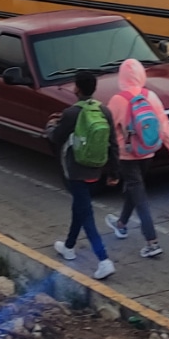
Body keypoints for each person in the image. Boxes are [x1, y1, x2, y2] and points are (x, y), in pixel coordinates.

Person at [103, 59, 169, 259]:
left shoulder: (117, 100)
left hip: (127, 155)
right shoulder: (152, 97)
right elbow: (164, 127)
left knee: (139, 196)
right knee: (134, 188)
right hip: (148, 152)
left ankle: (152, 241)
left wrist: (108, 164)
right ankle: (121, 225)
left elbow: (109, 133)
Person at [46, 69, 118, 281]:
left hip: (76, 170)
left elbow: (56, 137)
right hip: (96, 168)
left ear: (76, 88)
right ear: (94, 88)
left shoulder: (71, 113)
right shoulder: (104, 111)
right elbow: (113, 144)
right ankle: (68, 247)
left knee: (86, 214)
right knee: (80, 207)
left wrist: (50, 125)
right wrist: (114, 172)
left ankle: (104, 260)